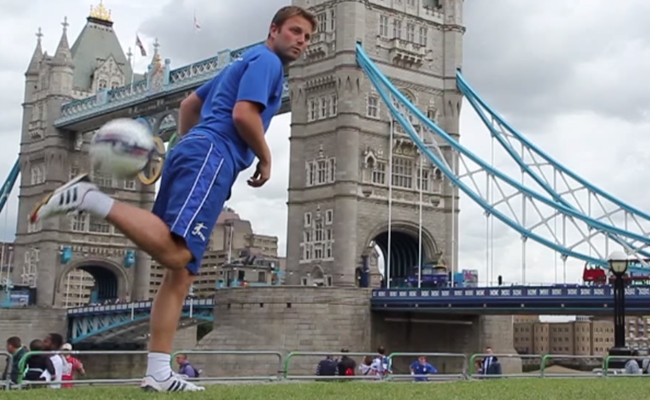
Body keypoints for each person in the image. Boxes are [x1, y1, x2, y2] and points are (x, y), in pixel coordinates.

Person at [28, 5, 315, 393]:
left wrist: (187, 144)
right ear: (274, 29)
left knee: (181, 273)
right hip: (214, 155)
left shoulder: (242, 62)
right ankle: (89, 197)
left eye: (307, 37)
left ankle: (158, 372)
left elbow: (188, 105)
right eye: (295, 31)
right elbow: (244, 115)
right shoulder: (268, 63)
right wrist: (265, 157)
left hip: (195, 149)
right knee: (178, 254)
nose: (301, 41)